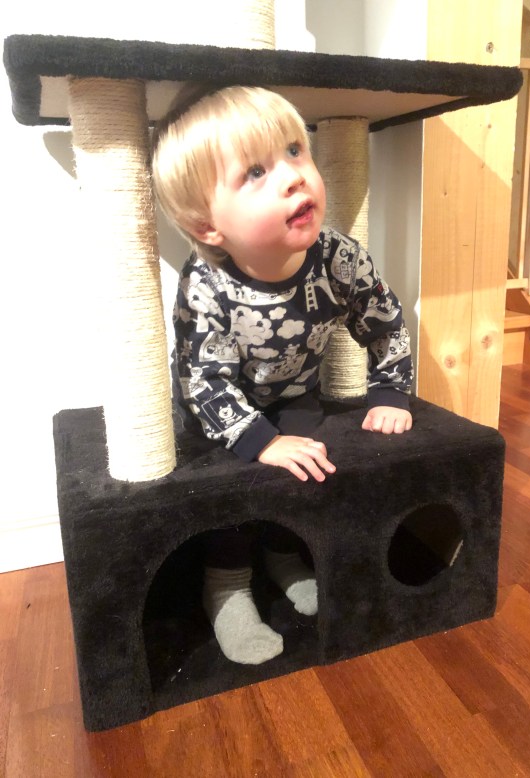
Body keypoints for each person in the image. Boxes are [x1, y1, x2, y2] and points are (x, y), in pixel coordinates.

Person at [152, 85, 413, 665]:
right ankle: (226, 583)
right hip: (216, 410)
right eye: (255, 172)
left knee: (307, 465)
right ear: (207, 225)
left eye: (296, 150)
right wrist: (258, 441)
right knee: (234, 482)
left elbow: (384, 318)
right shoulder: (205, 283)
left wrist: (391, 390)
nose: (294, 176)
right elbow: (204, 379)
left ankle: (284, 554)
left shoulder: (339, 256)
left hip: (294, 391)